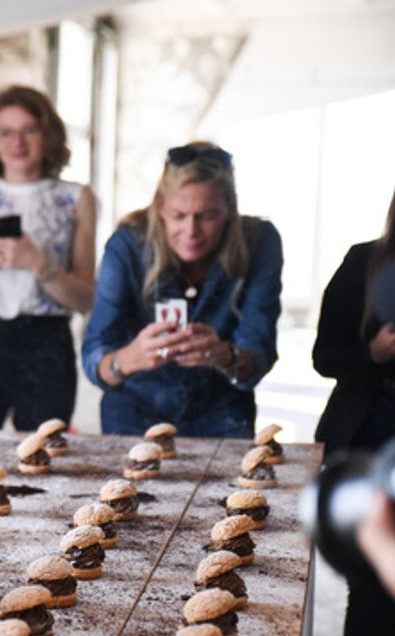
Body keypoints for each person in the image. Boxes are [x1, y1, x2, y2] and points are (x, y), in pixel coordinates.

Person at [82, 142, 283, 437]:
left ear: (229, 210)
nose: (191, 231)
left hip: (222, 413)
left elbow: (259, 351)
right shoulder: (127, 246)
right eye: (178, 215)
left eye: (207, 215)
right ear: (160, 208)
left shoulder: (260, 242)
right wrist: (128, 358)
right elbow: (93, 356)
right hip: (133, 413)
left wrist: (226, 357)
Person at [0, 85, 96, 431]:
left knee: (43, 460)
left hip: (47, 344)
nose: (17, 142)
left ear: (49, 134)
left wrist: (38, 263)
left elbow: (87, 299)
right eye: (5, 132)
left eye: (29, 130)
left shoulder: (76, 198)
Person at [313, 188, 395, 636]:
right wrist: (374, 352)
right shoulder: (362, 261)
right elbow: (323, 356)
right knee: (369, 600)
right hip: (367, 452)